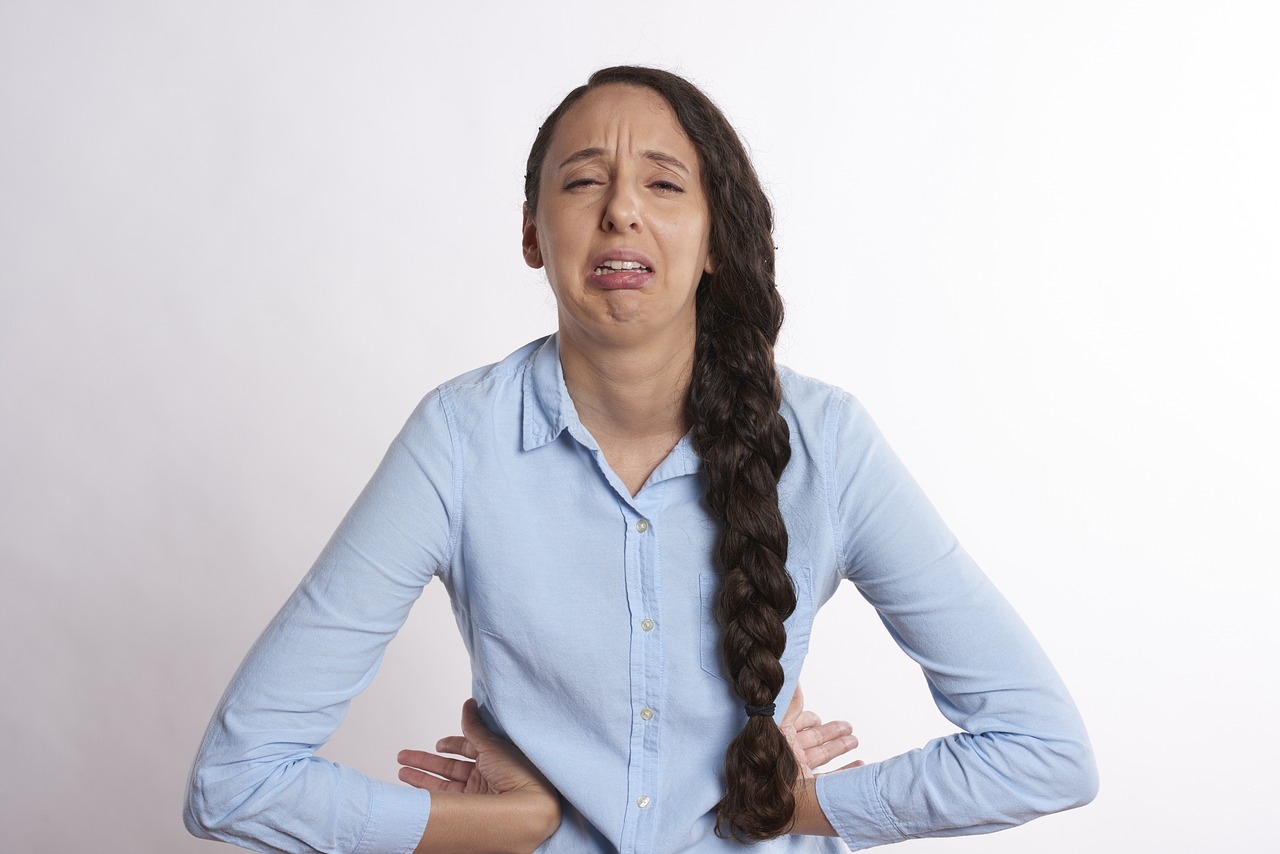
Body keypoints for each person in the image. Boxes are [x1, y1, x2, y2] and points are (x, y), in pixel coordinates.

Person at [184, 66, 1097, 854]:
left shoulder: (826, 442)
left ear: (712, 240)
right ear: (535, 233)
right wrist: (516, 822)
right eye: (583, 182)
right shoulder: (459, 441)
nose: (621, 208)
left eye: (664, 185)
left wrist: (795, 806)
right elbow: (237, 780)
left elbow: (1042, 750)